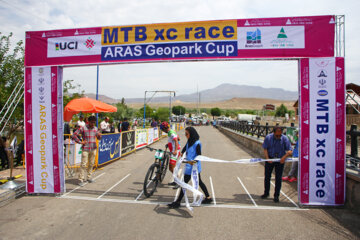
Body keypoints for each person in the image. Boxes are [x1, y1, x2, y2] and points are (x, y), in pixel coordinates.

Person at [168, 126, 212, 209]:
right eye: (185, 133)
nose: (185, 135)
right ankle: (208, 197)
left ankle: (177, 202)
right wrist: (182, 152)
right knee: (199, 182)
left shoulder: (197, 143)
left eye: (186, 134)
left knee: (184, 184)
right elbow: (186, 146)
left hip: (194, 167)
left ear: (191, 134)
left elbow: (199, 157)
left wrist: (191, 162)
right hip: (189, 166)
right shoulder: (190, 141)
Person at [261, 126, 292, 203]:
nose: (278, 136)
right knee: (267, 176)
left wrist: (284, 157)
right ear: (274, 132)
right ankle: (266, 193)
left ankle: (276, 195)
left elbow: (290, 151)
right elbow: (265, 149)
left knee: (278, 178)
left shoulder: (284, 138)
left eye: (280, 135)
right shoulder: (268, 137)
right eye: (277, 135)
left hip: (280, 160)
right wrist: (267, 158)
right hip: (270, 158)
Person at [72, 116, 102, 186]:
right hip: (85, 148)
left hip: (93, 148)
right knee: (83, 164)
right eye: (92, 122)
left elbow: (98, 138)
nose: (93, 124)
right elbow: (74, 135)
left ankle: (89, 177)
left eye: (94, 122)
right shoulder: (83, 128)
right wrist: (80, 142)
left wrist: (99, 135)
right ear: (88, 122)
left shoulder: (95, 129)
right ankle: (81, 179)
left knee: (91, 164)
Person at [159, 121, 181, 186]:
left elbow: (176, 141)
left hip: (175, 152)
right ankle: (176, 180)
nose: (162, 131)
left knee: (171, 167)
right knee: (171, 168)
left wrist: (176, 150)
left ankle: (178, 181)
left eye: (162, 129)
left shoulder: (171, 133)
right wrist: (169, 144)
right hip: (173, 150)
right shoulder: (171, 132)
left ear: (165, 128)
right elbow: (179, 138)